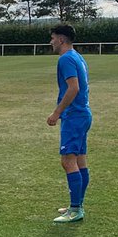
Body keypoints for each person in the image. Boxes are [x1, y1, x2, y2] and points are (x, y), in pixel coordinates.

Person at [47, 24, 91, 224]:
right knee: (80, 161)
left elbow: (73, 88)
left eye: (53, 38)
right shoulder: (77, 56)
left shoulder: (65, 59)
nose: (51, 42)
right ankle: (77, 205)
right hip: (82, 114)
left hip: (74, 116)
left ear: (61, 40)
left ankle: (75, 209)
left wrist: (57, 112)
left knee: (67, 161)